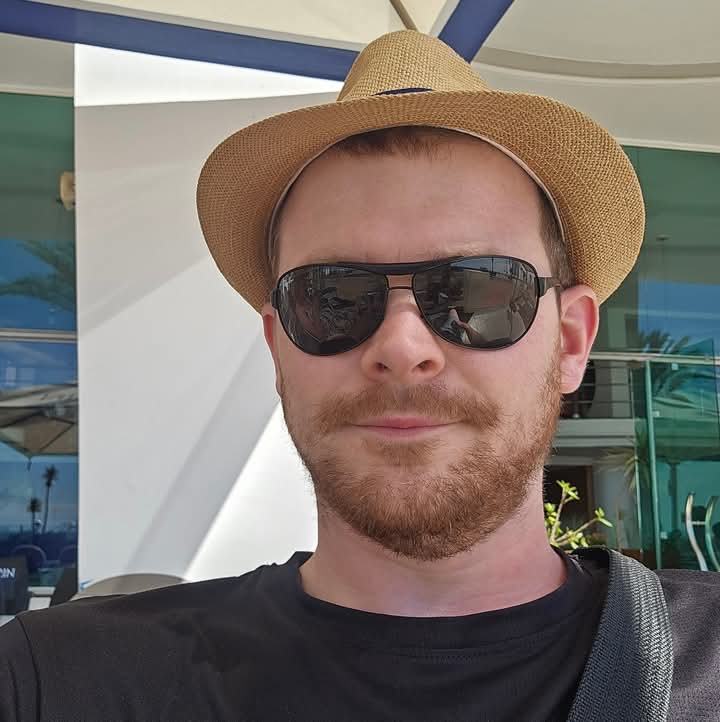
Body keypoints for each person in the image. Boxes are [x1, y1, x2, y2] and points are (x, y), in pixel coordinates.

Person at [1, 30, 719, 722]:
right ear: (279, 346)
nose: (402, 346)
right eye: (334, 297)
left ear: (571, 341)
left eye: (474, 291)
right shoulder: (55, 680)